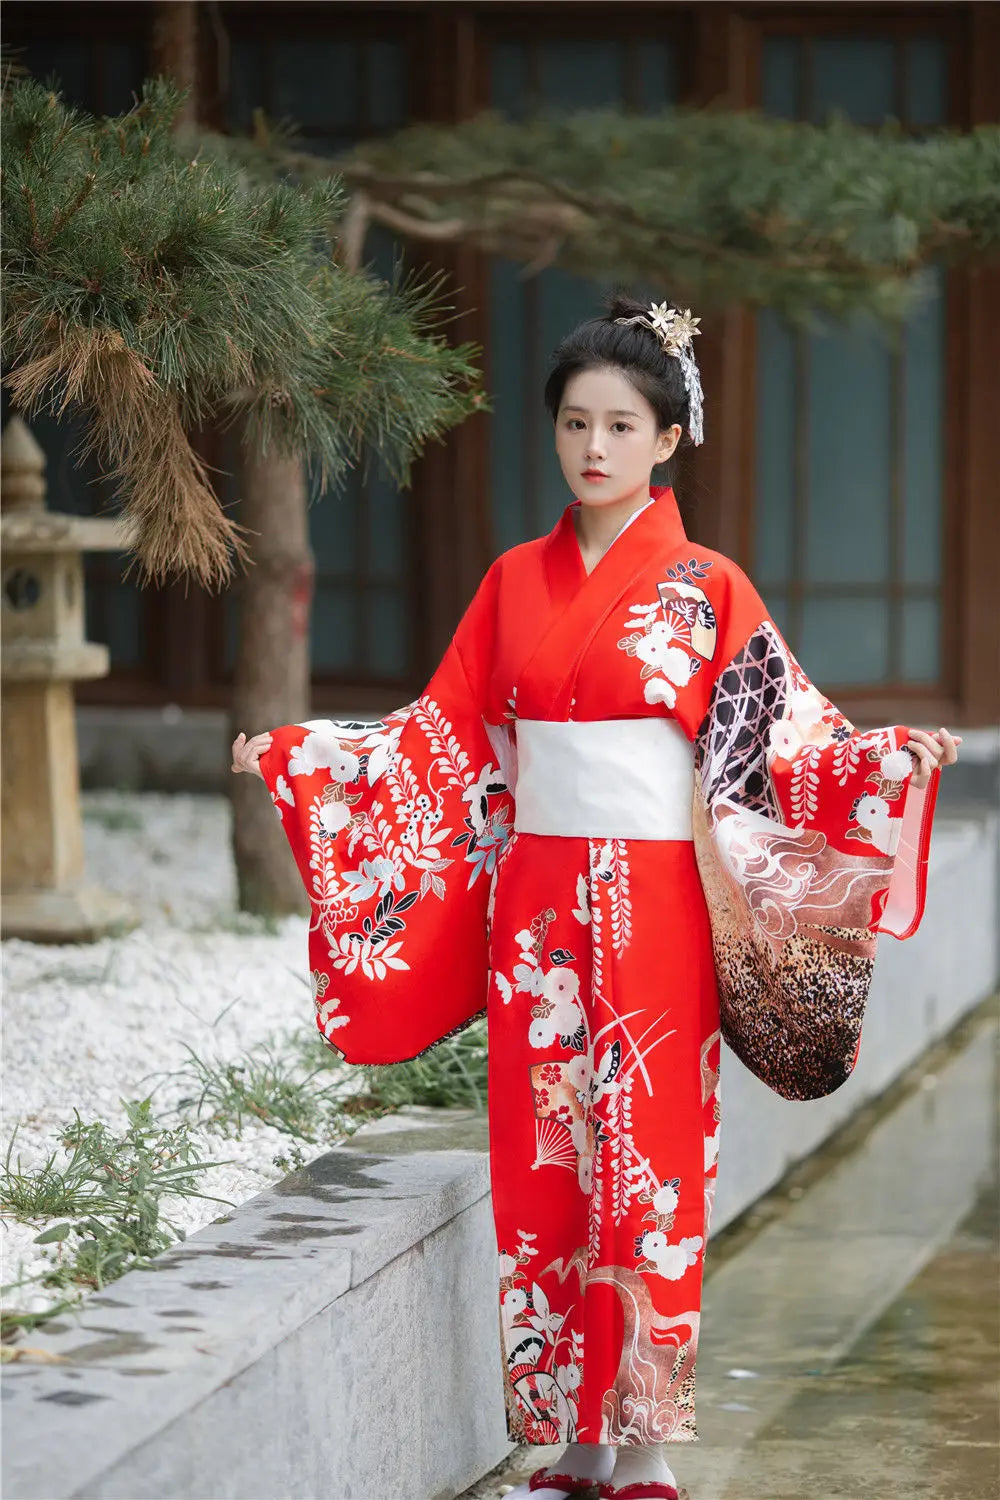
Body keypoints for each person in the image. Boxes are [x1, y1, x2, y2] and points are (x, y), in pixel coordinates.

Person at [232, 294, 961, 1500]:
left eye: (623, 426)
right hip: (540, 914)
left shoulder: (708, 586)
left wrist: (879, 758)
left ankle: (650, 1444)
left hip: (662, 907)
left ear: (668, 440)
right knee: (543, 1163)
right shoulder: (513, 581)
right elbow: (438, 739)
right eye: (576, 423)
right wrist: (313, 757)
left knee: (654, 1166)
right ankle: (567, 1442)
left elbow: (786, 744)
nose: (595, 448)